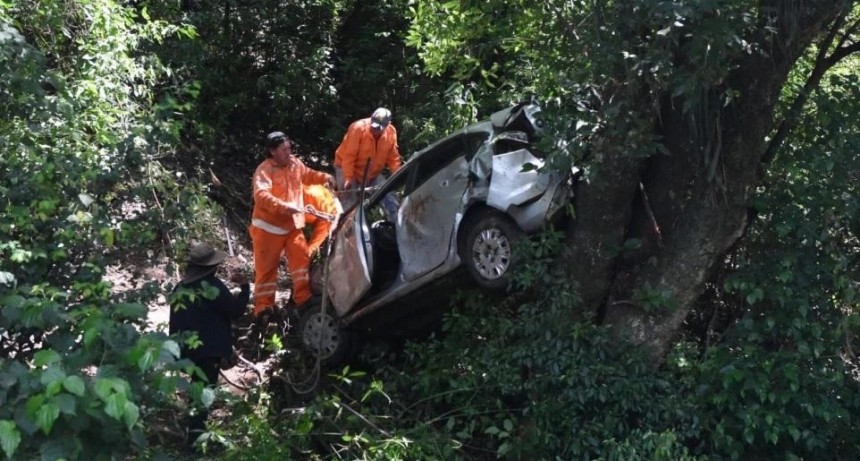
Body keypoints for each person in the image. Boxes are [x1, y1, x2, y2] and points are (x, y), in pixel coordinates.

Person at [168, 242, 249, 445]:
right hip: (207, 352)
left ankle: (193, 434)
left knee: (197, 390)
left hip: (185, 351)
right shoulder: (212, 287)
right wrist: (245, 287)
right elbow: (235, 310)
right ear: (211, 267)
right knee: (203, 395)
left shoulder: (180, 287)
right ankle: (195, 443)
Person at [249, 131, 334, 318]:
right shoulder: (264, 170)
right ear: (272, 151)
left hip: (292, 227)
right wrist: (285, 207)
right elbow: (261, 197)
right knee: (266, 270)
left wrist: (324, 177)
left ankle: (302, 299)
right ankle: (263, 308)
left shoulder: (295, 164)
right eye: (284, 149)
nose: (288, 152)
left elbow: (308, 175)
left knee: (301, 262)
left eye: (289, 148)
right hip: (267, 228)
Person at [333, 107, 402, 218]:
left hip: (372, 174)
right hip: (347, 168)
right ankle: (344, 229)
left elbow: (393, 157)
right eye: (374, 126)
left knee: (390, 198)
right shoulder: (357, 129)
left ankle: (396, 225)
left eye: (379, 128)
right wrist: (348, 178)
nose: (375, 130)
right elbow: (349, 157)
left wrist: (398, 175)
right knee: (349, 205)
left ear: (388, 125)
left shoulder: (391, 133)